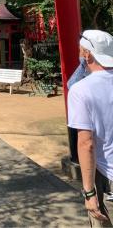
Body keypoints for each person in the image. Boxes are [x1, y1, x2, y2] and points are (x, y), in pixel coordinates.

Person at [68, 30, 113, 227]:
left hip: (106, 174)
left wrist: (89, 193)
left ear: (87, 54)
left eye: (81, 51)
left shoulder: (81, 90)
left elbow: (86, 144)